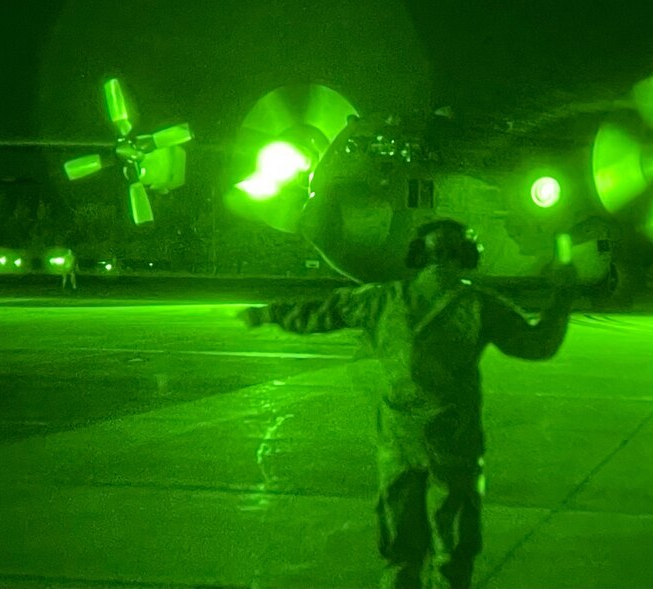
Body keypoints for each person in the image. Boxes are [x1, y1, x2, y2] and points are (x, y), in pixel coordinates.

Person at [238, 219, 576, 589]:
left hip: (398, 442)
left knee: (400, 551)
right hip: (454, 442)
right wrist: (563, 296)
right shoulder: (480, 306)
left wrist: (269, 313)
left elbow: (323, 314)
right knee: (453, 549)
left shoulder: (383, 299)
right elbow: (537, 345)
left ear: (417, 255)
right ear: (467, 255)